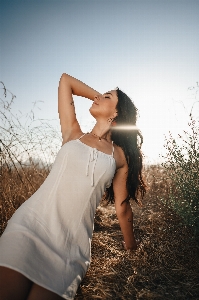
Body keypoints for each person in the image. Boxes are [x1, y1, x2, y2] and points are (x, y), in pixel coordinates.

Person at [0, 73, 146, 300]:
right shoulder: (73, 133)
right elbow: (65, 81)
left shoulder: (119, 156)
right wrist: (100, 98)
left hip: (70, 246)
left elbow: (122, 206)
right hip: (30, 225)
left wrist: (131, 247)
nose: (97, 98)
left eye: (106, 96)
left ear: (117, 113)